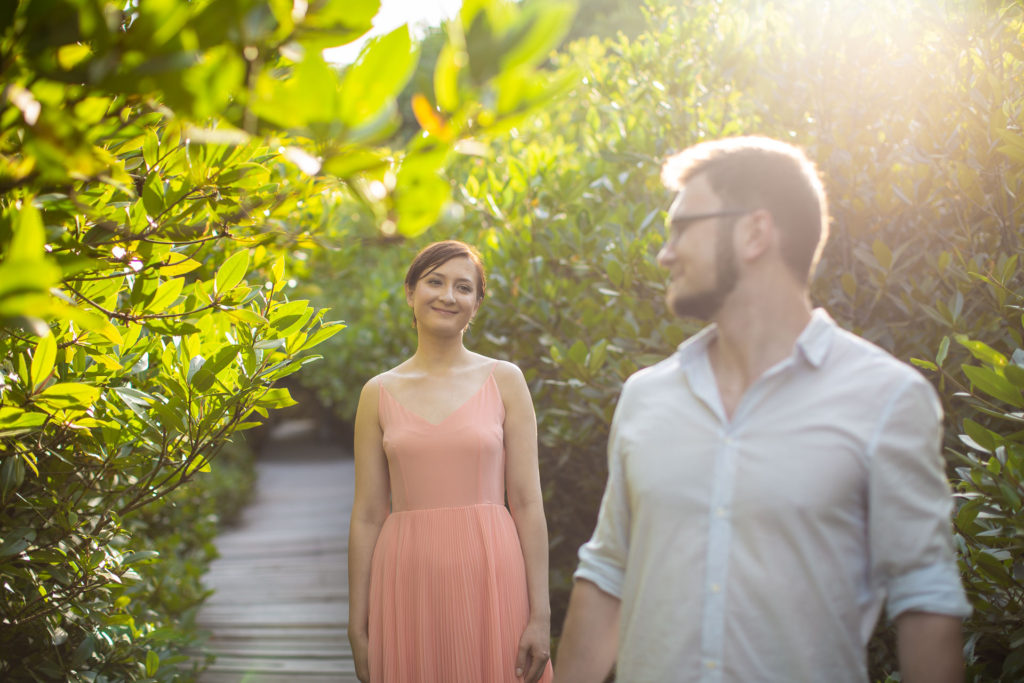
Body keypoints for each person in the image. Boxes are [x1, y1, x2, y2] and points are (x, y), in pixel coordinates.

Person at [554, 136, 971, 683]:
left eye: (682, 228)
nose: (665, 253)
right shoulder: (645, 398)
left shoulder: (887, 399)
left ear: (754, 231)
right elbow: (608, 574)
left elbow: (926, 601)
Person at [348, 240, 554, 683]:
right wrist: (357, 622)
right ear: (410, 292)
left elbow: (528, 502)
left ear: (476, 304)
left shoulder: (505, 380)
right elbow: (367, 515)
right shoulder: (376, 393)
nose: (447, 295)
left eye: (464, 287)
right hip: (406, 575)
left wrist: (542, 615)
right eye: (434, 281)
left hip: (492, 573)